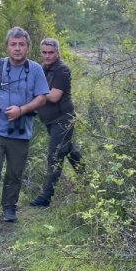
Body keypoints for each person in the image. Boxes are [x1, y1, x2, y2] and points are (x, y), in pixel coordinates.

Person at [0, 27, 50, 227]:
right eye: (13, 44)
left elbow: (42, 97)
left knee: (14, 172)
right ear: (7, 47)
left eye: (21, 45)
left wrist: (21, 110)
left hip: (20, 131)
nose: (17, 49)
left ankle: (9, 207)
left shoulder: (35, 69)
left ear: (28, 47)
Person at [30, 38, 84, 208]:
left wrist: (35, 91)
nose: (47, 56)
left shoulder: (62, 70)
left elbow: (53, 96)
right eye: (44, 52)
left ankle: (46, 196)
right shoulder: (41, 69)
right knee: (67, 150)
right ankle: (89, 180)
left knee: (55, 155)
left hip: (63, 119)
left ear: (57, 53)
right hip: (49, 120)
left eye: (51, 52)